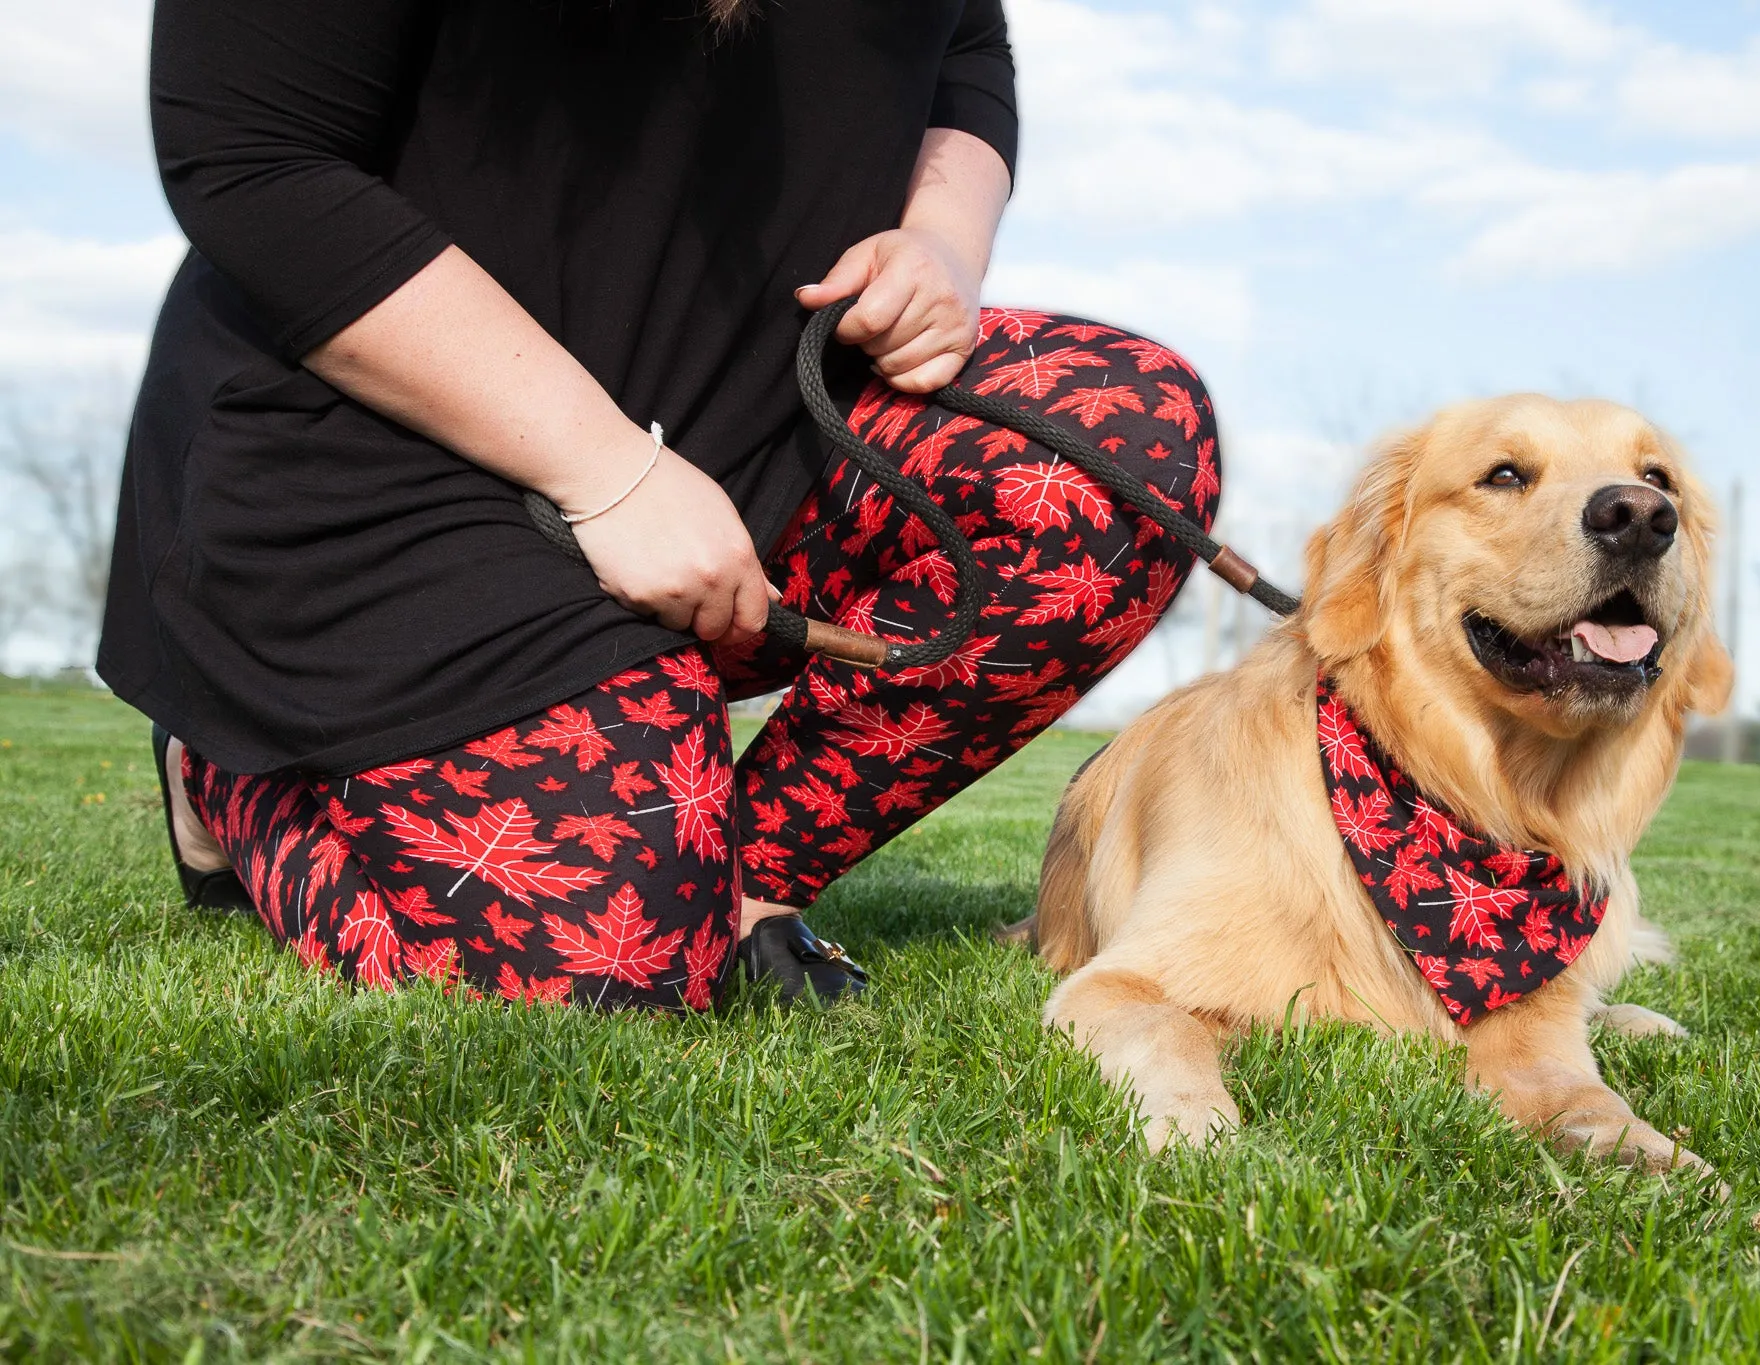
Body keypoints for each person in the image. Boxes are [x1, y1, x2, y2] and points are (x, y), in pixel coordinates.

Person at [103, 0, 1223, 1010]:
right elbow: (253, 160)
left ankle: (741, 877)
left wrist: (941, 235)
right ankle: (231, 772)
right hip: (379, 445)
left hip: (753, 423)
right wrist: (608, 471)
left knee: (1124, 444)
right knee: (609, 967)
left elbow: (963, 40)